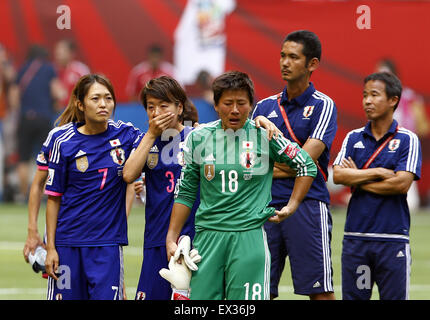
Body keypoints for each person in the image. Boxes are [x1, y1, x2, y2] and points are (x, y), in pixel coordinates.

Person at [165, 70, 317, 300]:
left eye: (241, 103)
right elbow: (185, 192)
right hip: (207, 239)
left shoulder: (265, 134)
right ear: (215, 105)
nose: (235, 110)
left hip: (249, 238)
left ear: (251, 105)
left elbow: (306, 166)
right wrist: (171, 238)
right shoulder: (198, 138)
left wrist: (292, 205)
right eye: (228, 103)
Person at [251, 30, 337, 300]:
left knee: (319, 292)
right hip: (264, 207)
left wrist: (271, 167)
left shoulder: (323, 106)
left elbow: (303, 161)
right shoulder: (263, 107)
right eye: (282, 56)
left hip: (309, 205)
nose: (284, 62)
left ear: (312, 64)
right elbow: (250, 162)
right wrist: (286, 164)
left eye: (293, 57)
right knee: (258, 291)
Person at [44, 74, 143, 300]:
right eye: (96, 98)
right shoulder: (63, 141)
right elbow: (53, 199)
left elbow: (153, 145)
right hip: (67, 244)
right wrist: (50, 248)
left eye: (108, 98)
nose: (103, 104)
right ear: (80, 104)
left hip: (107, 245)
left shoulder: (126, 134)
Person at [333, 72, 422, 300]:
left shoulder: (407, 139)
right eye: (364, 95)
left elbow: (401, 184)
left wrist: (359, 179)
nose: (367, 101)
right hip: (356, 239)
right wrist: (377, 174)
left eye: (374, 95)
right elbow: (340, 176)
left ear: (393, 100)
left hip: (392, 239)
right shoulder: (353, 138)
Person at [122, 76, 199, 300]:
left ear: (179, 107)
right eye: (150, 107)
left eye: (163, 106)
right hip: (156, 239)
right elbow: (128, 174)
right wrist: (152, 134)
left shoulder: (197, 138)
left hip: (194, 241)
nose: (156, 112)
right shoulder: (145, 141)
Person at [12, 44, 65, 203]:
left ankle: (22, 195)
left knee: (23, 158)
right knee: (46, 158)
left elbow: (14, 97)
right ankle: (43, 193)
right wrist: (55, 106)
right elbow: (59, 92)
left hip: (25, 118)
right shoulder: (49, 69)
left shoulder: (21, 70)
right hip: (44, 118)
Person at [375, 58, 428, 211]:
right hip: (383, 147)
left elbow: (423, 126)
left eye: (386, 74)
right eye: (379, 74)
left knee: (410, 202)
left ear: (395, 75)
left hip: (404, 148)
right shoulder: (377, 100)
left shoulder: (410, 97)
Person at [53, 39, 90, 110]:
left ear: (71, 53)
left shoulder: (80, 70)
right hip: (57, 114)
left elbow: (87, 91)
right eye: (57, 51)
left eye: (62, 51)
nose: (58, 54)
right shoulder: (52, 70)